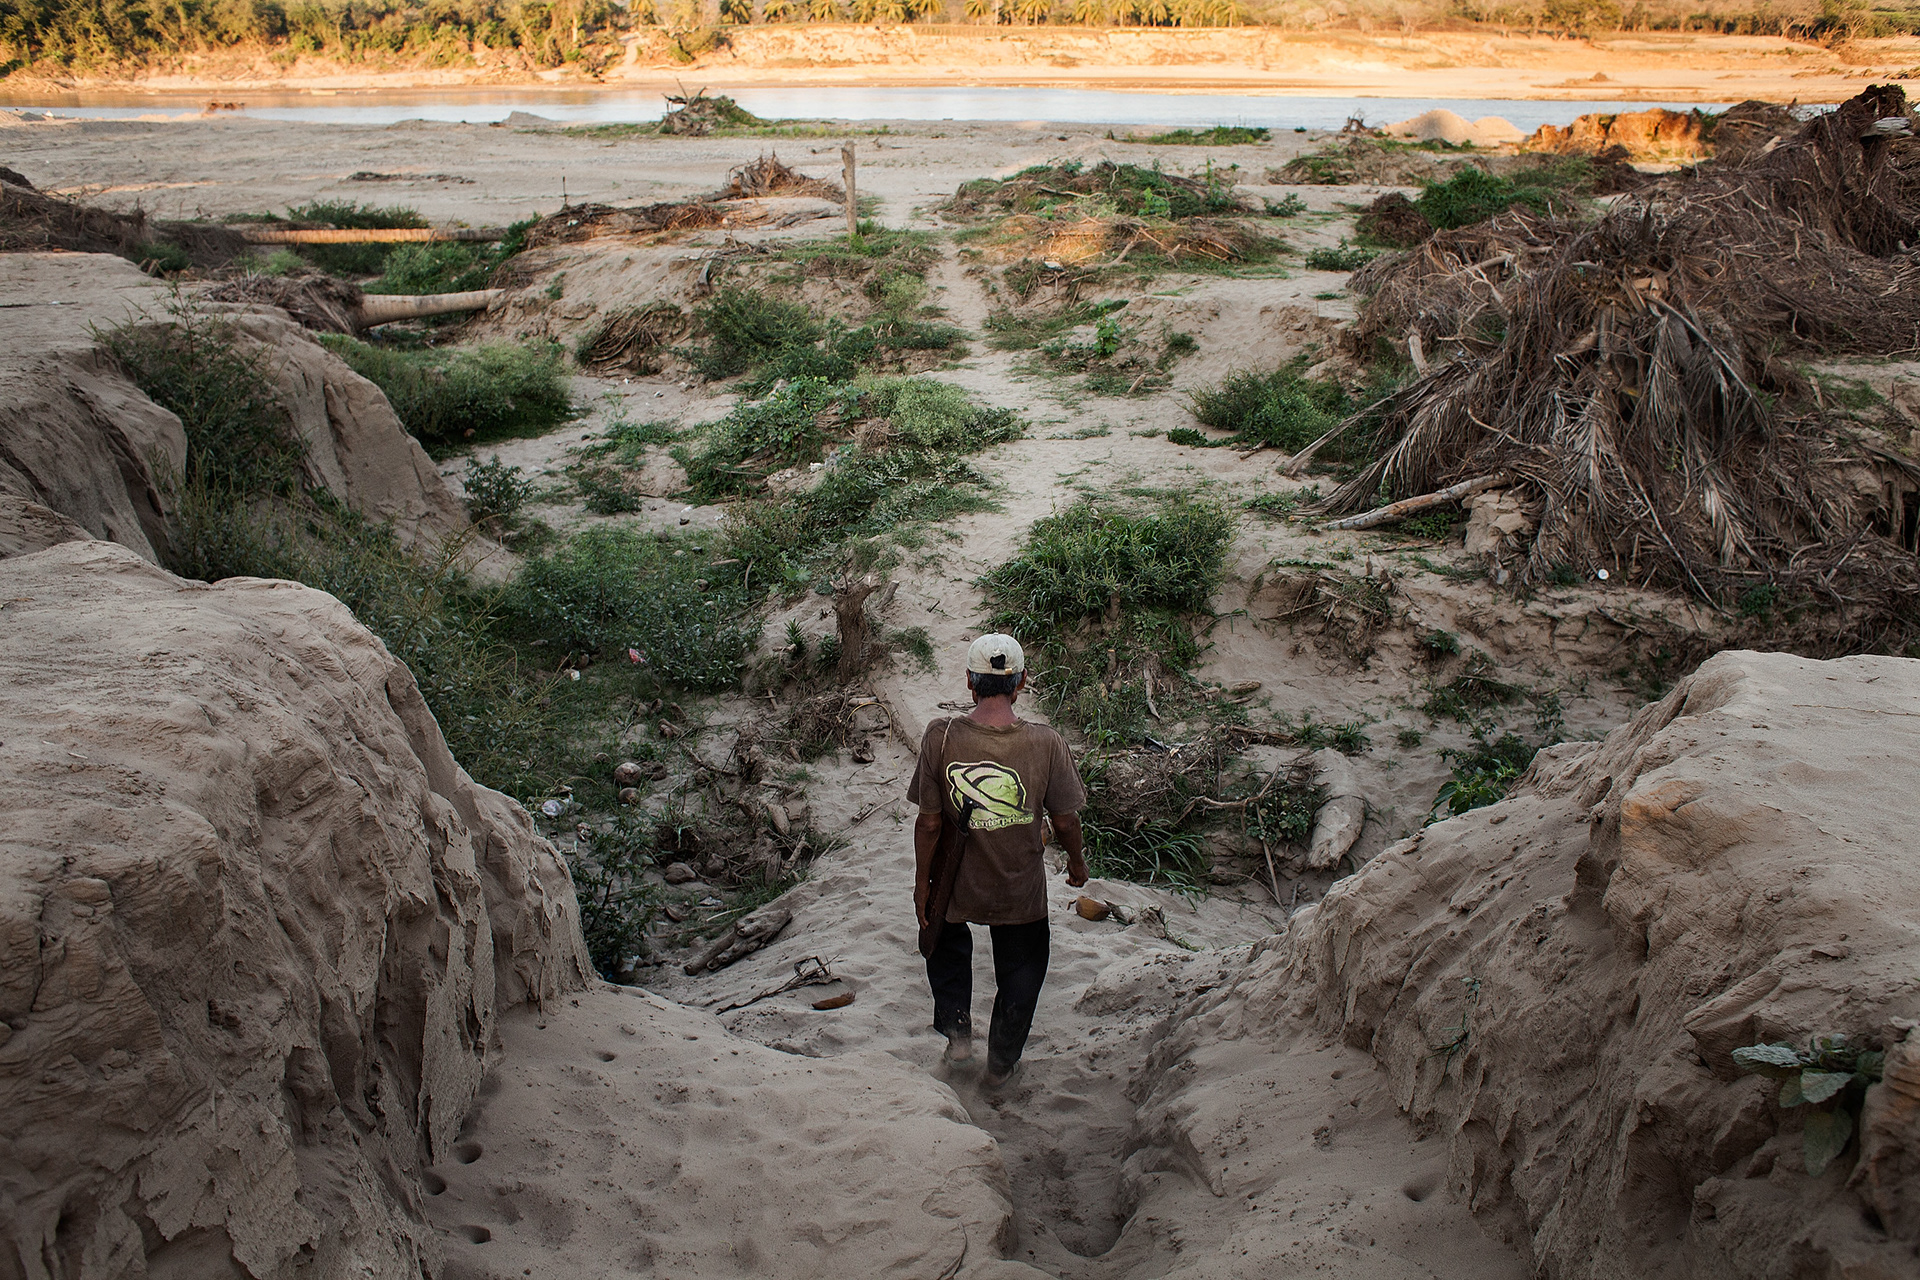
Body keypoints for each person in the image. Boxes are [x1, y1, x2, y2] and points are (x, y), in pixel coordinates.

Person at [909, 633, 1088, 1089]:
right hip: (1018, 888)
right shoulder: (1046, 743)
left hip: (955, 883)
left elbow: (929, 824)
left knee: (945, 946)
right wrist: (1076, 864)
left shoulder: (940, 735)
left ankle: (958, 1038)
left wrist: (922, 885)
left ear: (970, 682)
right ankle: (1001, 1063)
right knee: (1023, 966)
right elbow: (1065, 821)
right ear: (1021, 682)